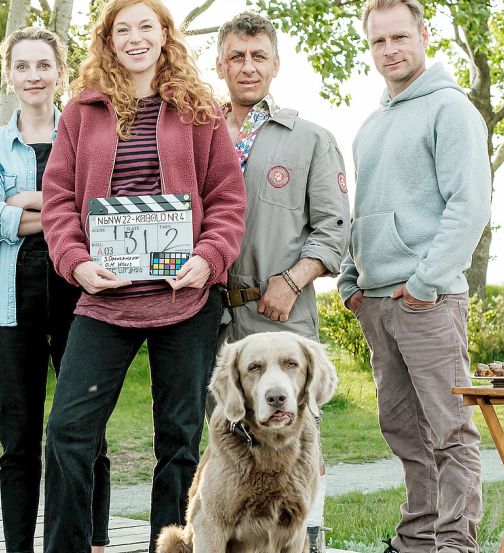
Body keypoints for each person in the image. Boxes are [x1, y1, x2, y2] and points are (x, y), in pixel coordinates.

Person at [40, 1, 246, 551]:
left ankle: (170, 546)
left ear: (164, 35)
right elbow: (58, 201)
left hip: (186, 299)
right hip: (105, 299)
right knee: (67, 432)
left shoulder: (199, 108)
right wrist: (76, 262)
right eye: (122, 29)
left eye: (145, 27)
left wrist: (208, 257)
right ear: (108, 39)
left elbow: (227, 197)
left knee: (178, 439)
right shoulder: (81, 112)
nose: (134, 38)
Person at [337, 1, 491, 551]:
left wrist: (425, 284)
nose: (389, 51)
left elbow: (469, 206)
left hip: (428, 300)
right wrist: (352, 280)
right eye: (378, 42)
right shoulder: (372, 125)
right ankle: (416, 540)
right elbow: (366, 210)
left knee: (450, 430)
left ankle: (455, 544)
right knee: (403, 431)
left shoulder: (451, 110)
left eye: (400, 37)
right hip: (378, 302)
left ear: (424, 35)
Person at [0, 27, 111, 553]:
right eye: (23, 66)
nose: (34, 75)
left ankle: (92, 540)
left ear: (59, 71)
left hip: (81, 295)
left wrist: (26, 201)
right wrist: (59, 205)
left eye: (43, 65)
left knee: (84, 430)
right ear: (9, 74)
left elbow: (95, 214)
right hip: (12, 298)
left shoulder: (88, 137)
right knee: (19, 439)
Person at [213, 11, 350, 553]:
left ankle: (303, 539)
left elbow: (335, 228)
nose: (248, 67)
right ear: (220, 64)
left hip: (281, 312)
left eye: (258, 56)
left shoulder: (311, 139)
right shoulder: (199, 133)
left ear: (276, 63)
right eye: (237, 57)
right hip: (210, 315)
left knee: (300, 434)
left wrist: (292, 281)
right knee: (218, 431)